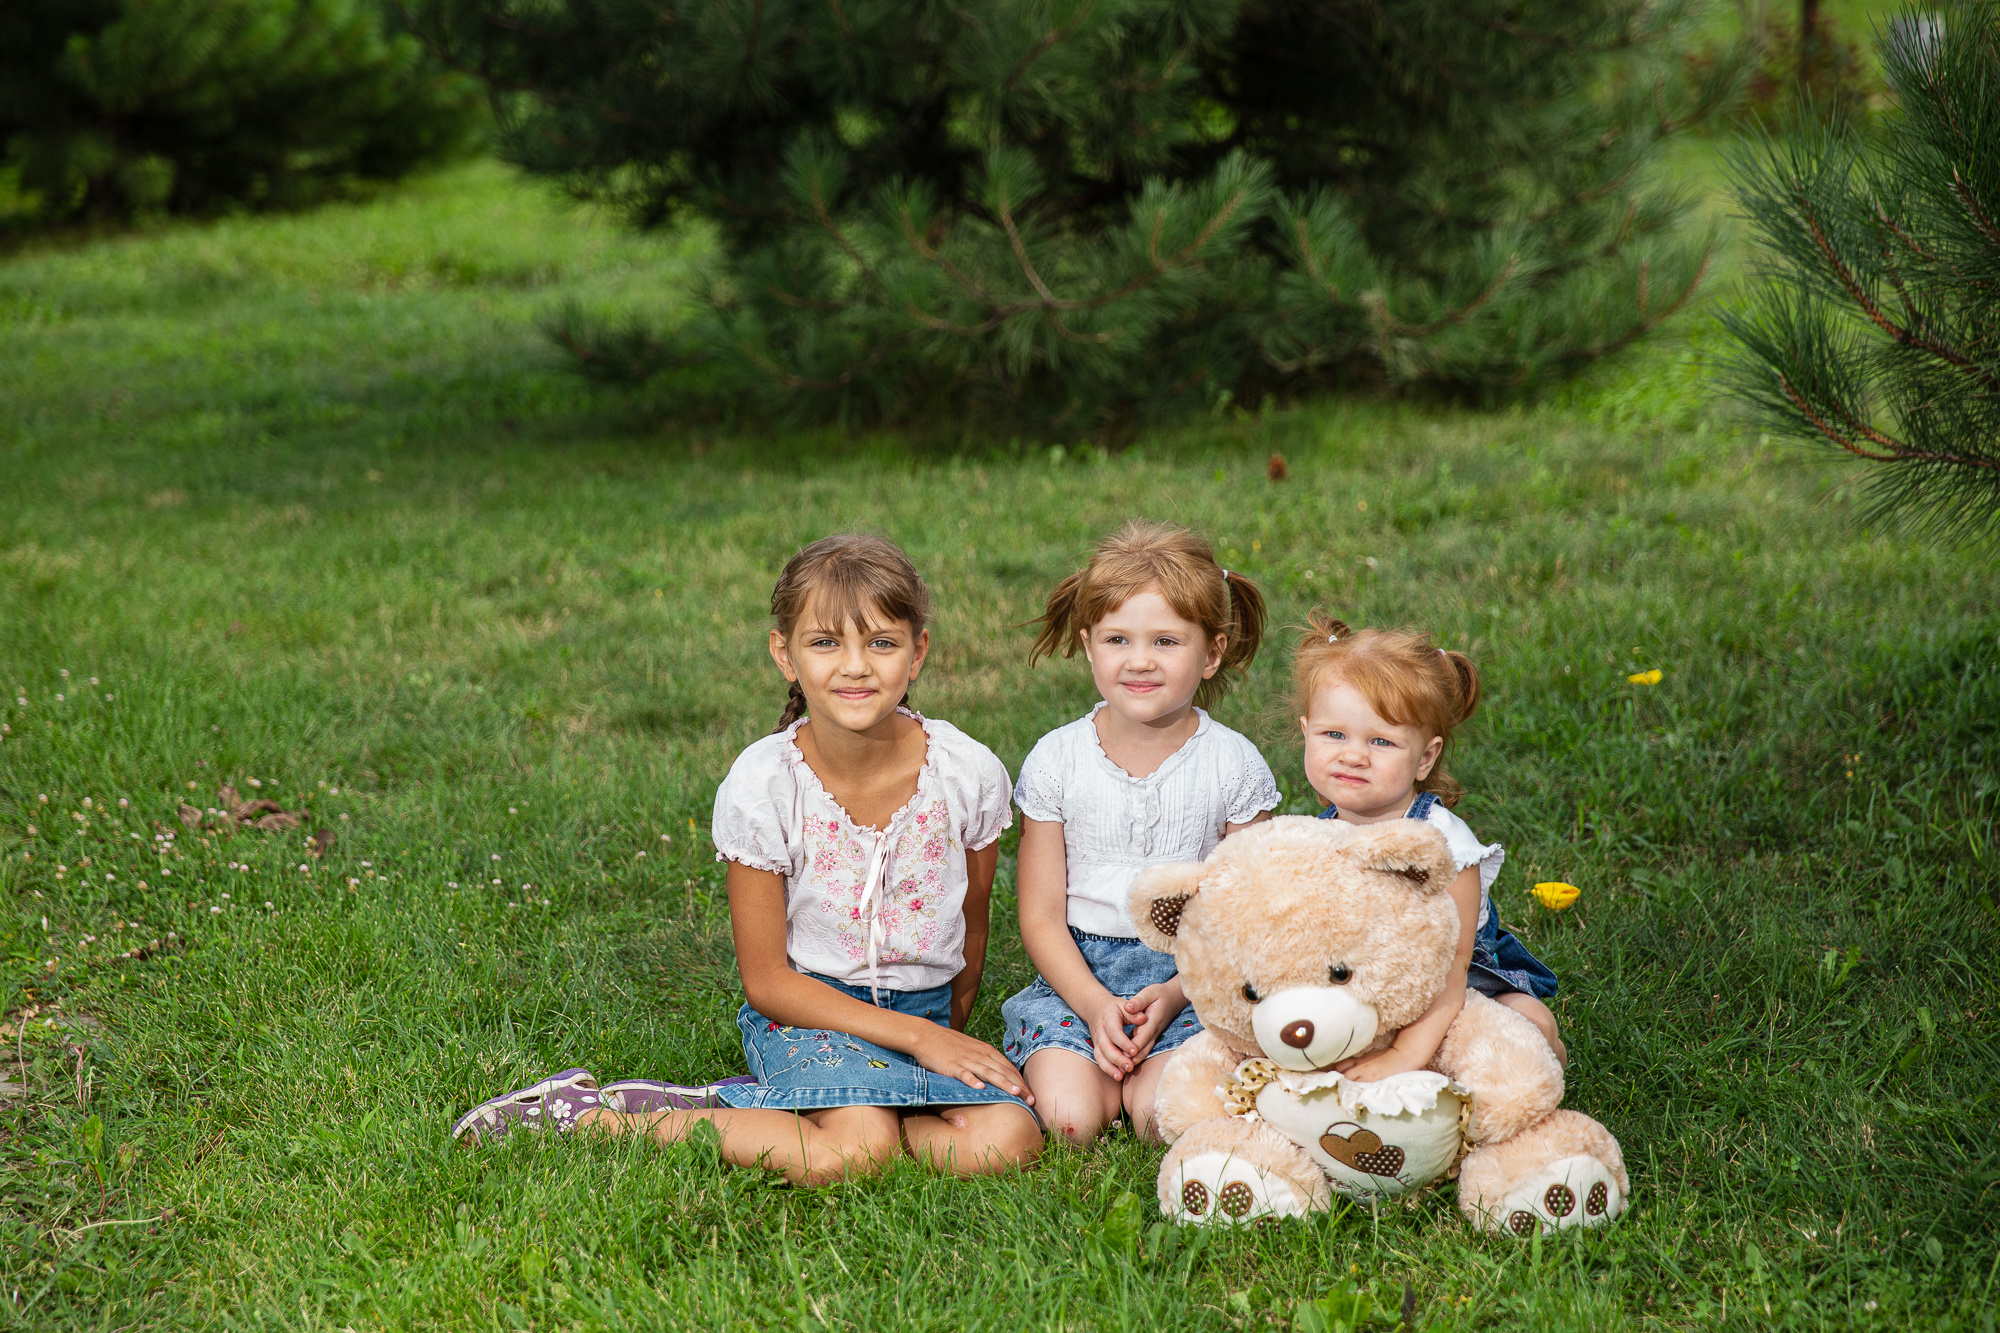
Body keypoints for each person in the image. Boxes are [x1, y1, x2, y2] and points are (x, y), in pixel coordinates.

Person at [453, 535, 1040, 1184]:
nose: (855, 665)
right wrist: (924, 1044)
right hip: (812, 1010)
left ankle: (807, 1110)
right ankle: (595, 1114)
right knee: (855, 1153)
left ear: (917, 651)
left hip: (922, 1011)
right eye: (825, 642)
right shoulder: (766, 785)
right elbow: (768, 982)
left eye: (881, 641)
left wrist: (943, 1029)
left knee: (1007, 1139)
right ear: (784, 654)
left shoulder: (965, 771)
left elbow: (974, 924)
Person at [1002, 521, 1279, 1144]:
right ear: (1089, 646)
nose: (1140, 660)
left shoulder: (1233, 764)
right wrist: (1097, 1007)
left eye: (1166, 640)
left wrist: (1179, 993)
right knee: (1070, 1121)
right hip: (1077, 978)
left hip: (1193, 978)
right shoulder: (1057, 759)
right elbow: (1041, 916)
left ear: (1211, 653)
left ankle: (1153, 1073)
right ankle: (1093, 1065)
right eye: (1117, 639)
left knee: (1163, 1119)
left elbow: (1245, 913)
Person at [1294, 614, 1566, 1076]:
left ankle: (1537, 1083)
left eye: (1381, 741)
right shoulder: (1308, 837)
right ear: (1306, 732)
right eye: (1333, 734)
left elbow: (1453, 965)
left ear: (1426, 756)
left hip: (1455, 981)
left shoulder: (1445, 844)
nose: (1353, 754)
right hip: (1359, 981)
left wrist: (1404, 1054)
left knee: (1530, 1023)